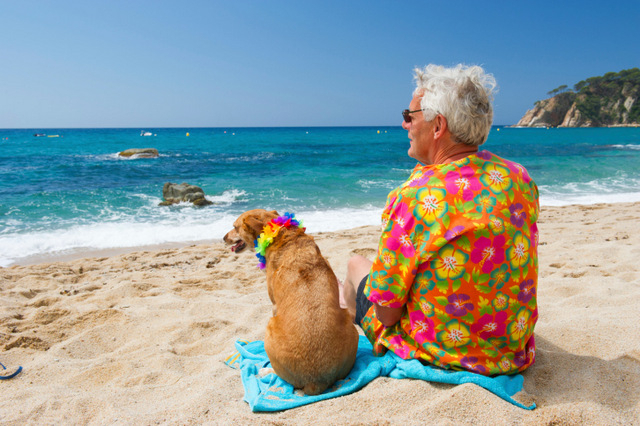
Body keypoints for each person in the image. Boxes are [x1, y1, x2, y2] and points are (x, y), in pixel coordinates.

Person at [340, 64, 539, 375]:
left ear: (437, 126)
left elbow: (388, 314)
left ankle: (352, 326)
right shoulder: (519, 178)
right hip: (509, 350)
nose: (403, 123)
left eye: (409, 115)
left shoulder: (414, 197)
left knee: (355, 266)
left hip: (441, 353)